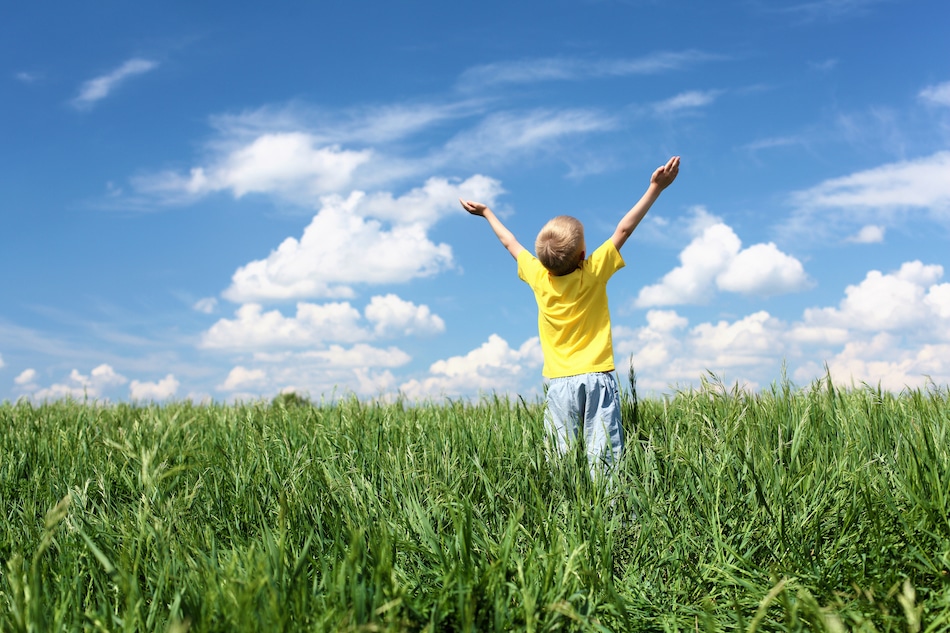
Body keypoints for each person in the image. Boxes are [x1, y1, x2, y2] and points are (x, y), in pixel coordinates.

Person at [460, 156, 680, 477]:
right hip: (598, 378)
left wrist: (487, 213)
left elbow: (510, 242)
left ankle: (566, 512)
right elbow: (624, 229)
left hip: (559, 383)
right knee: (603, 459)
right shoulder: (592, 272)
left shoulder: (538, 276)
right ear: (581, 255)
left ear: (541, 259)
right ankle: (611, 515)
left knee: (561, 460)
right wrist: (655, 188)